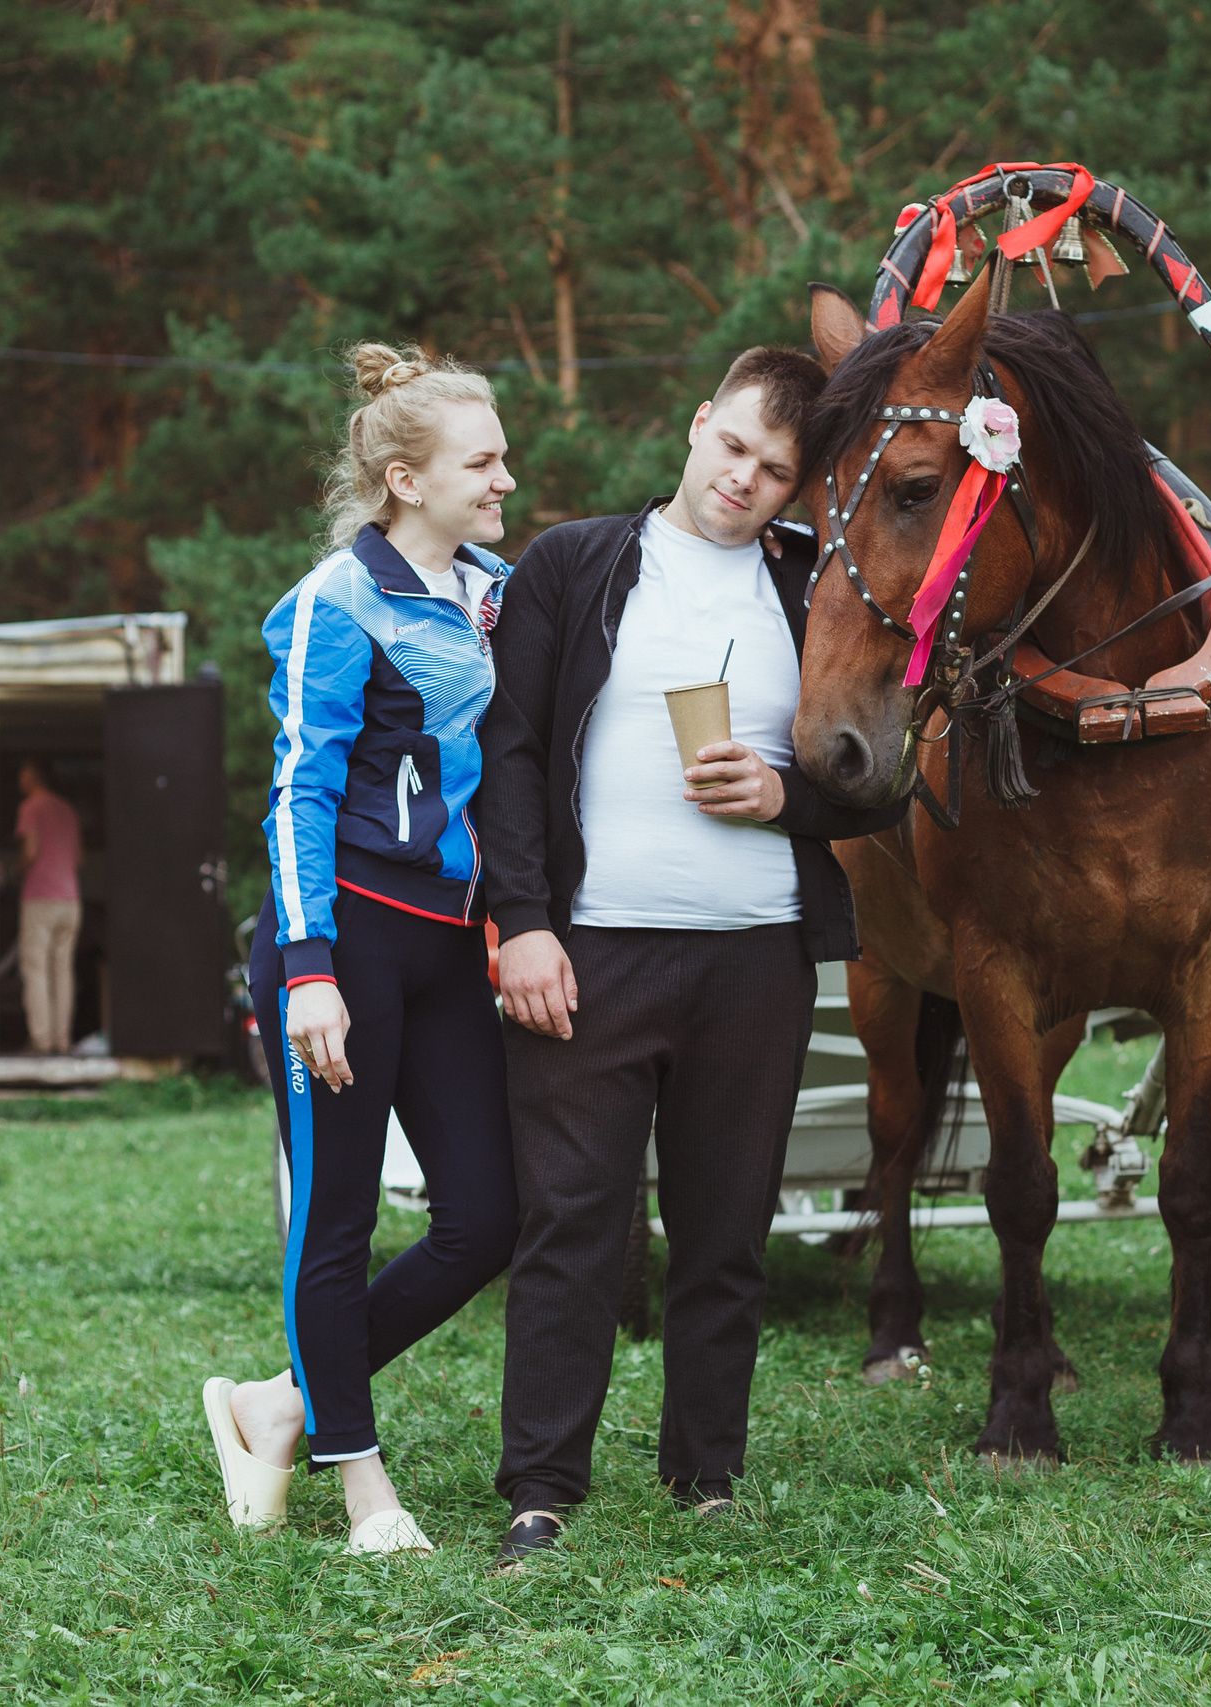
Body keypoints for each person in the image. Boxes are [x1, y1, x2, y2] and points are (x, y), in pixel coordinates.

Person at [476, 348, 908, 1568]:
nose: (744, 480)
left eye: (775, 470)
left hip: (755, 963)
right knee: (570, 1225)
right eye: (732, 448)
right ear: (695, 424)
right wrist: (526, 924)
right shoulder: (573, 562)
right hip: (591, 955)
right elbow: (507, 756)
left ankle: (705, 1474)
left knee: (728, 1232)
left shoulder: (815, 590)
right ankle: (540, 1492)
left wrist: (781, 796)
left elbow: (879, 783)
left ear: (797, 486)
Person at [200, 344, 522, 1556]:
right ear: (405, 478)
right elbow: (297, 795)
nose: (504, 478)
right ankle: (363, 1490)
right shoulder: (334, 602)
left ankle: (278, 1404)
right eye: (481, 461)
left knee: (484, 1220)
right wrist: (311, 969)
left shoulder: (495, 593)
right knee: (333, 1220)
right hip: (341, 942)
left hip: (448, 946)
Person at [11, 757, 83, 1055]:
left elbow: (30, 851)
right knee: (63, 969)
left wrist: (16, 871)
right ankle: (62, 1039)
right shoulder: (67, 810)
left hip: (41, 898)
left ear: (32, 776)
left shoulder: (30, 808)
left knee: (36, 968)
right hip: (71, 900)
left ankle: (42, 1040)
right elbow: (79, 859)